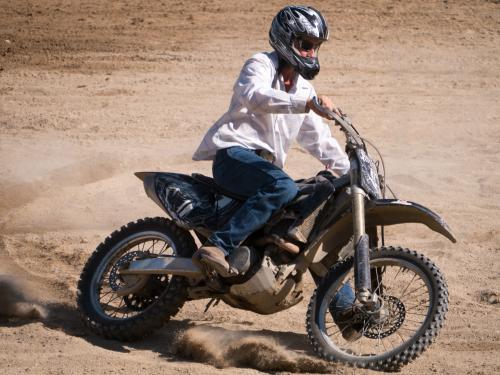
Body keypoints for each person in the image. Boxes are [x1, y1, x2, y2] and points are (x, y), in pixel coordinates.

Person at [192, 5, 349, 277]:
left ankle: (349, 314)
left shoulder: (303, 89)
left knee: (323, 196)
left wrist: (351, 172)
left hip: (266, 173)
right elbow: (256, 96)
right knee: (282, 186)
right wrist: (308, 103)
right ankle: (218, 245)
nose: (312, 53)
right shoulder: (260, 64)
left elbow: (319, 140)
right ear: (286, 39)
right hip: (234, 158)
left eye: (316, 47)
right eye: (306, 44)